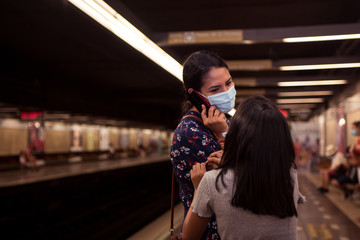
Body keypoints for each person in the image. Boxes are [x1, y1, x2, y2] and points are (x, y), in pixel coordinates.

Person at [182, 95, 305, 240]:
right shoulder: (289, 175)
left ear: (236, 135)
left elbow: (188, 237)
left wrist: (198, 189)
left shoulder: (212, 181)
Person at [170, 51, 235, 239]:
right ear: (195, 95)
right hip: (209, 231)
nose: (226, 92)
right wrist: (224, 135)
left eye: (228, 83)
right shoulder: (190, 133)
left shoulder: (221, 121)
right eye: (215, 90)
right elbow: (237, 180)